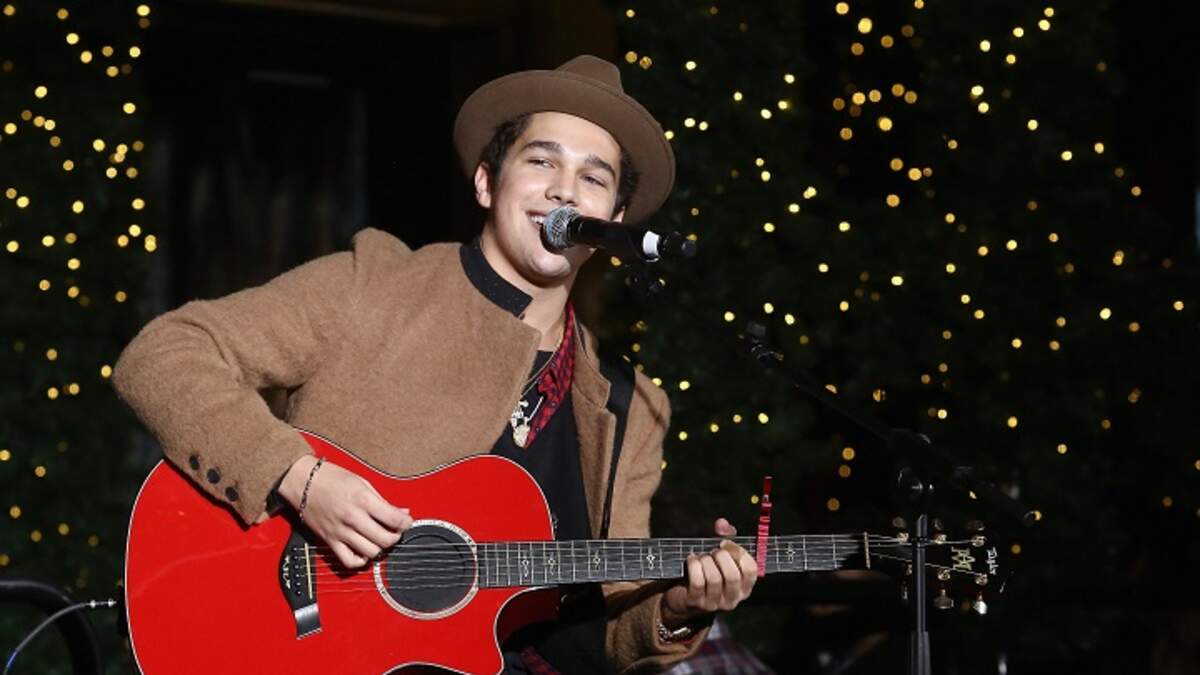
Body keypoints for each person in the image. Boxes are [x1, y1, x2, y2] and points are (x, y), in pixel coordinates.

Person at [113, 55, 757, 673]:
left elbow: (605, 632)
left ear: (613, 220)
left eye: (593, 178)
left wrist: (676, 610)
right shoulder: (374, 285)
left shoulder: (630, 404)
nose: (565, 189)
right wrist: (299, 478)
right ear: (486, 182)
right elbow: (165, 352)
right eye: (541, 160)